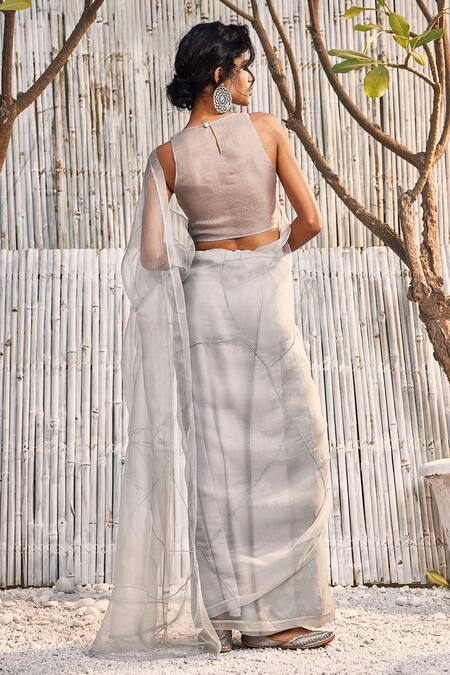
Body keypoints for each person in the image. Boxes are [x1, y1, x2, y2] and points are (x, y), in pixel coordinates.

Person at [89, 21, 336, 662]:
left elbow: (151, 257)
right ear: (218, 75)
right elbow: (311, 220)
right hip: (264, 296)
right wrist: (268, 256)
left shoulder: (166, 157)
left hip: (205, 303)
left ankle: (230, 614)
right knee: (295, 447)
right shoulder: (267, 131)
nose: (251, 79)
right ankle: (277, 616)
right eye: (244, 68)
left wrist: (205, 262)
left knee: (221, 459)